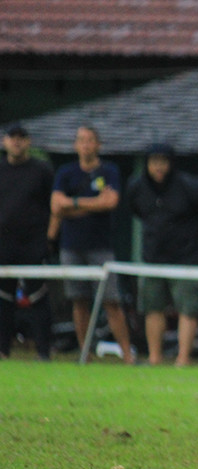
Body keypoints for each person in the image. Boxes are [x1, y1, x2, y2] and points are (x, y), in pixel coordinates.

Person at [125, 143, 198, 366]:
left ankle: (183, 358)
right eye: (153, 161)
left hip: (187, 258)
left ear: (171, 163)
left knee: (188, 308)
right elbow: (136, 211)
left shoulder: (191, 187)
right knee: (152, 307)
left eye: (163, 161)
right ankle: (155, 357)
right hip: (153, 258)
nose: (158, 166)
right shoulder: (136, 187)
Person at [49, 125, 134, 362]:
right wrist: (91, 203)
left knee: (111, 301)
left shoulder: (109, 171)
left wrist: (72, 205)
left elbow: (110, 202)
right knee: (79, 301)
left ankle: (128, 356)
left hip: (101, 247)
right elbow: (56, 206)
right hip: (71, 246)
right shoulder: (65, 173)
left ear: (98, 145)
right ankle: (85, 354)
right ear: (76, 145)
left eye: (90, 140)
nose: (85, 144)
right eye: (81, 140)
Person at [0, 123, 54, 361]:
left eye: (22, 137)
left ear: (28, 142)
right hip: (4, 244)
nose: (17, 142)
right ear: (5, 142)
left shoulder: (42, 170)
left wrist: (49, 239)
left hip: (33, 244)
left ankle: (44, 352)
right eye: (13, 137)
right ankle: (3, 350)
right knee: (4, 299)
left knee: (38, 297)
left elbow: (53, 205)